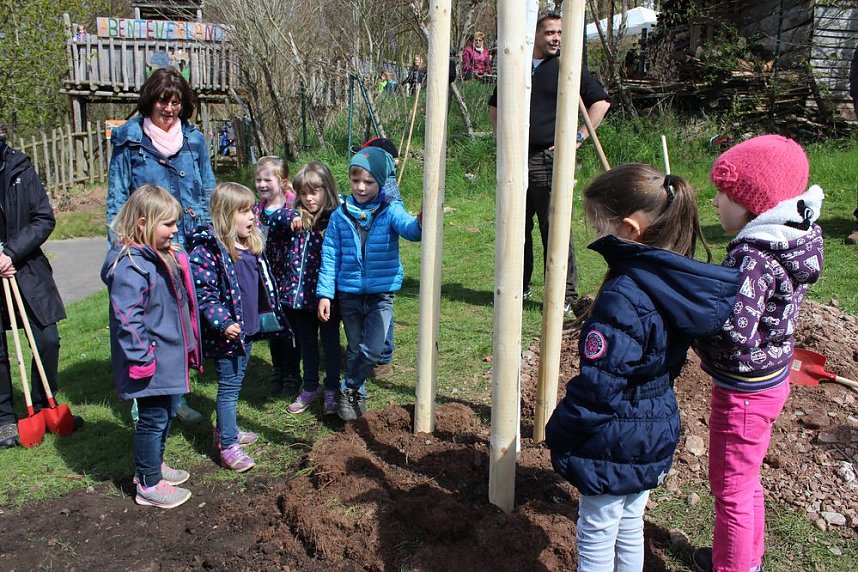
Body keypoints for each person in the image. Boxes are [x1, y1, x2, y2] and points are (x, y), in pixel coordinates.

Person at [545, 163, 740, 570]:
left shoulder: (625, 295)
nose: (594, 233)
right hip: (655, 426)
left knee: (597, 529)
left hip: (615, 435)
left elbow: (600, 387)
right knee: (630, 521)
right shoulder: (675, 281)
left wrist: (562, 429)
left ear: (630, 229)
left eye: (599, 224)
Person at [692, 135, 824, 572]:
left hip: (743, 391)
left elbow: (733, 331)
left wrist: (691, 325)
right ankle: (747, 560)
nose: (715, 201)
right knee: (745, 482)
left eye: (725, 194)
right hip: (770, 379)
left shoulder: (753, 256)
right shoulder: (788, 240)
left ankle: (733, 567)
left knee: (729, 489)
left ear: (753, 204)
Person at [107, 66, 216, 424]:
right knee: (151, 320)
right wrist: (118, 248)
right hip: (145, 245)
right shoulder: (129, 139)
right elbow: (117, 196)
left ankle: (176, 398)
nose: (169, 109)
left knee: (181, 321)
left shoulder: (193, 139)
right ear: (149, 100)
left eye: (176, 102)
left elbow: (208, 187)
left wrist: (214, 233)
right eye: (162, 101)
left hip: (188, 241)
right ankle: (144, 400)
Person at [488, 9, 611, 316]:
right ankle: (518, 286)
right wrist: (503, 140)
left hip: (547, 158)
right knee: (515, 226)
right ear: (535, 35)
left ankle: (564, 294)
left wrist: (577, 138)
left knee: (553, 227)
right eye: (550, 32)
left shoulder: (567, 67)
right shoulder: (515, 65)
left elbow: (601, 102)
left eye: (560, 32)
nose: (556, 38)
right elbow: (495, 105)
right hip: (515, 159)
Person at [101, 184, 201, 508]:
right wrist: (142, 359)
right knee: (152, 418)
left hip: (168, 355)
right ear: (143, 223)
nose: (175, 230)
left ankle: (153, 464)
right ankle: (148, 482)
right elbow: (127, 320)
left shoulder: (161, 256)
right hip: (150, 360)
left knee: (166, 413)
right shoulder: (131, 266)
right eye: (168, 224)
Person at [316, 147, 421, 421]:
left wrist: (421, 221)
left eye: (369, 182)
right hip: (349, 293)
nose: (361, 187)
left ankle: (348, 386)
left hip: (380, 294)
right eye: (355, 180)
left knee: (372, 350)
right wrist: (325, 294)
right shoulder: (340, 215)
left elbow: (410, 230)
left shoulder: (390, 210)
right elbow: (330, 256)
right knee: (354, 348)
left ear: (381, 182)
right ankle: (356, 395)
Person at [0, 123, 82, 449]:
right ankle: (4, 418)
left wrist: (10, 252)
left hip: (27, 267)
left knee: (47, 339)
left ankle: (44, 402)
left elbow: (44, 217)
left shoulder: (19, 168)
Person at [189, 183, 280, 472]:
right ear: (225, 216)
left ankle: (224, 430)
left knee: (236, 382)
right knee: (229, 388)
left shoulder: (250, 244)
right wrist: (224, 322)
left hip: (247, 329)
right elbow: (205, 295)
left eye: (252, 209)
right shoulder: (209, 251)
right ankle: (228, 445)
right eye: (243, 211)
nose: (252, 216)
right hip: (227, 334)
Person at [259, 162, 342, 416]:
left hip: (328, 296)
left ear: (327, 190)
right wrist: (291, 217)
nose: (309, 198)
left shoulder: (335, 219)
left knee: (330, 343)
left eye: (315, 192)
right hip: (300, 297)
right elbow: (270, 218)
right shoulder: (294, 218)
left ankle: (332, 388)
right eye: (304, 193)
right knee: (307, 344)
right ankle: (310, 387)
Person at [253, 156, 301, 397]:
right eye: (258, 179)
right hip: (267, 277)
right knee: (273, 326)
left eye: (267, 180)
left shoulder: (293, 207)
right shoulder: (256, 210)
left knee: (290, 326)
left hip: (290, 277)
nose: (262, 184)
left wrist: (294, 217)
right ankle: (278, 369)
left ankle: (293, 373)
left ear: (282, 182)